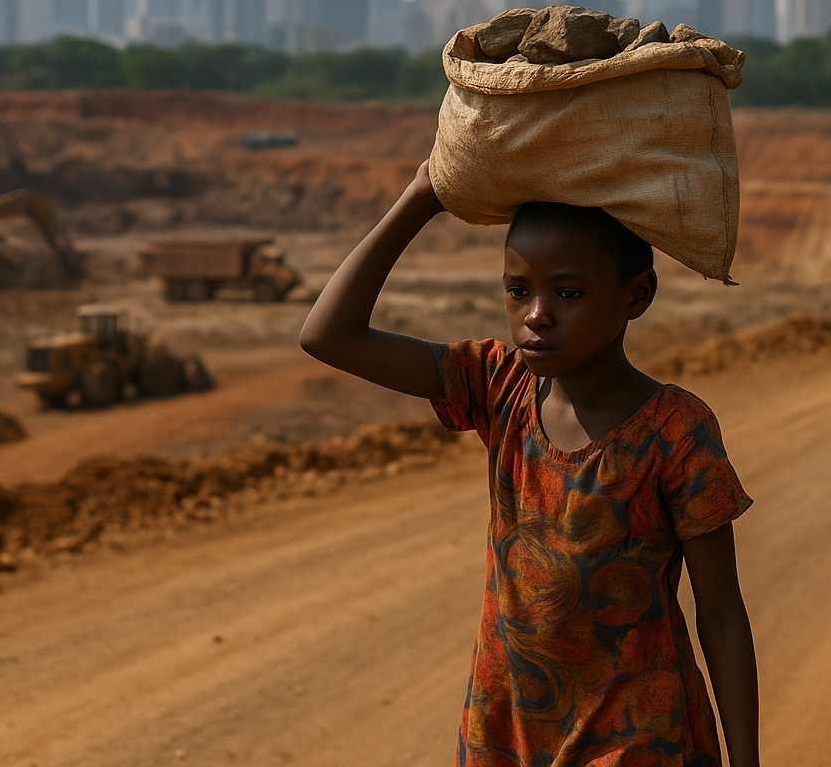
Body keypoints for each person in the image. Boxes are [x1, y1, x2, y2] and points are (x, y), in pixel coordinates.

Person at [299, 160, 760, 767]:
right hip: (507, 732)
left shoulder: (675, 430)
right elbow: (328, 336)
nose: (537, 314)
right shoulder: (500, 387)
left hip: (635, 735)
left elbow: (722, 612)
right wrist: (419, 199)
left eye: (568, 293)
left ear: (637, 296)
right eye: (519, 290)